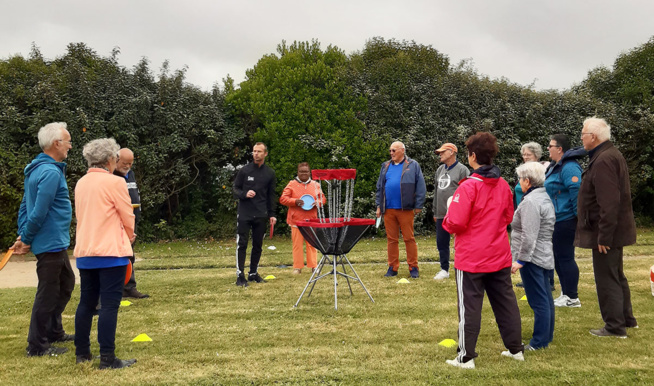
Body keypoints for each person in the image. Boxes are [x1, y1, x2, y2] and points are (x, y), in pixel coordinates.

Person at [443, 132, 523, 369]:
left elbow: (455, 223)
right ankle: (516, 349)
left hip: (472, 258)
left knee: (469, 307)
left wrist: (448, 215)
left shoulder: (468, 187)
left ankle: (465, 357)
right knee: (506, 303)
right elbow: (508, 216)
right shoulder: (503, 185)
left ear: (473, 156)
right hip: (498, 254)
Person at [11, 122, 75, 357]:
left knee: (66, 284)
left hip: (54, 240)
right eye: (67, 141)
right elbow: (38, 211)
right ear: (56, 143)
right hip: (49, 242)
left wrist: (22, 232)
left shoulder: (37, 169)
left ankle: (54, 331)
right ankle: (37, 345)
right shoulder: (48, 172)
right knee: (48, 293)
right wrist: (26, 237)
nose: (70, 146)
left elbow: (24, 205)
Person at [73, 138, 137, 369]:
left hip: (86, 250)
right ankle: (108, 358)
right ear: (111, 159)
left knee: (86, 303)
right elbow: (127, 215)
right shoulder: (115, 183)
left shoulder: (81, 183)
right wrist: (130, 235)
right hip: (111, 251)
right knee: (110, 305)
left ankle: (82, 353)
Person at [576, 117, 638, 338]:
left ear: (593, 137)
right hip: (614, 230)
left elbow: (609, 202)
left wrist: (604, 236)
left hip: (607, 232)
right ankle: (627, 319)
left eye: (583, 133)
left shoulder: (603, 160)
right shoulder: (610, 154)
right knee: (616, 274)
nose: (581, 137)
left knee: (607, 277)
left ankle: (614, 326)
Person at [511, 162, 556, 351]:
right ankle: (546, 335)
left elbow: (529, 235)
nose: (519, 182)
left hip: (533, 258)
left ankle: (539, 342)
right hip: (544, 253)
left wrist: (520, 260)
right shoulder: (543, 196)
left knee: (538, 300)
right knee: (545, 297)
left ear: (527, 181)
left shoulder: (530, 202)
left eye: (520, 179)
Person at [544, 134, 586, 308]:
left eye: (550, 146)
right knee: (558, 257)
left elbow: (576, 190)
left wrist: (578, 217)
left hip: (566, 220)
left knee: (565, 257)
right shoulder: (556, 166)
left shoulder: (569, 167)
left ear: (559, 149)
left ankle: (572, 297)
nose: (548, 149)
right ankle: (565, 293)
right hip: (556, 220)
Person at [375, 141, 426, 278]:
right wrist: (379, 205)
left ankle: (413, 267)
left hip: (406, 208)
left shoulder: (413, 165)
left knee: (409, 238)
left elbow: (420, 186)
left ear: (402, 150)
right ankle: (392, 267)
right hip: (388, 209)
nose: (391, 153)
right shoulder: (385, 166)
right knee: (392, 239)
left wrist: (418, 205)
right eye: (390, 151)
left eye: (393, 150)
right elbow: (380, 187)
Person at [233, 142, 277, 286]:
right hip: (245, 213)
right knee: (242, 244)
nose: (256, 153)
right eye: (254, 151)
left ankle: (253, 273)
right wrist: (245, 194)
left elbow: (271, 196)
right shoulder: (244, 171)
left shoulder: (270, 173)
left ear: (265, 154)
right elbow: (235, 189)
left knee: (257, 245)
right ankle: (240, 275)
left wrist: (272, 214)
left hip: (261, 214)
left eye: (259, 151)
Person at [114, 148, 149, 299]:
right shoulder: (112, 176)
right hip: (118, 222)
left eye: (131, 163)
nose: (128, 166)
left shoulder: (131, 174)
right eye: (125, 163)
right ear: (116, 160)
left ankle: (129, 287)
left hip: (132, 219)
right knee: (118, 256)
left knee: (130, 255)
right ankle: (116, 289)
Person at [279, 162, 325, 274]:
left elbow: (322, 199)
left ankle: (314, 266)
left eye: (306, 171)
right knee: (297, 245)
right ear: (297, 172)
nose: (304, 174)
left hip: (311, 220)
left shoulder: (316, 185)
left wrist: (317, 202)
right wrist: (295, 202)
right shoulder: (291, 184)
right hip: (296, 220)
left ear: (309, 172)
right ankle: (297, 267)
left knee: (312, 244)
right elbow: (283, 199)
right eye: (301, 171)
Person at [432, 143, 469, 280]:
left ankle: (464, 267)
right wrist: (435, 211)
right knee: (441, 241)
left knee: (460, 241)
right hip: (441, 213)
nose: (440, 154)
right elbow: (436, 191)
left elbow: (467, 192)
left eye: (442, 152)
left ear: (451, 152)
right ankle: (444, 269)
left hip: (456, 214)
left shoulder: (462, 170)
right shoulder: (440, 170)